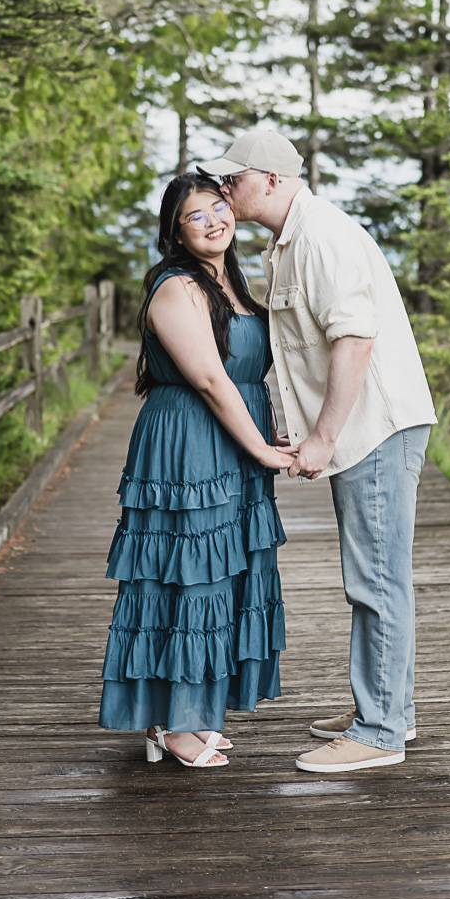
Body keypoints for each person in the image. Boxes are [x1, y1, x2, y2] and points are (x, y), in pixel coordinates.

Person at [200, 129, 437, 774]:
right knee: (378, 576)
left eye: (234, 177)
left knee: (376, 580)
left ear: (271, 180)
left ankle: (379, 730)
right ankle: (391, 708)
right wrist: (296, 425)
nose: (225, 189)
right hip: (361, 431)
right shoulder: (291, 240)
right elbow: (302, 352)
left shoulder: (322, 237)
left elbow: (354, 341)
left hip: (374, 432)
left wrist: (324, 438)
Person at [98, 171, 296, 768]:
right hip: (188, 440)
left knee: (224, 573)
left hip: (231, 436)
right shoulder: (175, 286)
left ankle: (190, 712)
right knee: (189, 573)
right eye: (196, 215)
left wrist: (264, 432)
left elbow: (239, 375)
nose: (214, 220)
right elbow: (209, 378)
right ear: (175, 232)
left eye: (219, 207)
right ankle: (175, 723)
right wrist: (261, 450)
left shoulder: (230, 281)